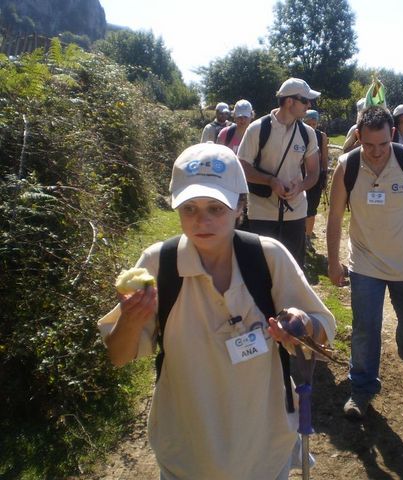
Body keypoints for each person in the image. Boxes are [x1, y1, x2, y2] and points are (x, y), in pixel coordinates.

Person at [97, 142, 336, 479]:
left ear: (240, 207)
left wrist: (301, 323)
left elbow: (324, 326)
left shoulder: (268, 257)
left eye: (216, 208)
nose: (202, 221)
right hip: (187, 451)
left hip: (264, 448)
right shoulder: (158, 264)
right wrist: (131, 322)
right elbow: (119, 356)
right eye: (189, 208)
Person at [326, 106, 403, 419]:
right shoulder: (347, 165)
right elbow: (335, 216)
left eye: (382, 144)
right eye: (368, 145)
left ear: (392, 134)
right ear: (359, 138)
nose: (376, 152)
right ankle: (361, 388)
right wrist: (333, 261)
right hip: (365, 262)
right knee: (365, 328)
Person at [237, 78, 320, 267]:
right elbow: (242, 167)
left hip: (296, 212)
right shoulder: (258, 129)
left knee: (294, 269)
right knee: (262, 271)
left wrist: (300, 186)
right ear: (290, 101)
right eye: (306, 101)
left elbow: (313, 172)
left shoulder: (308, 133)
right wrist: (270, 181)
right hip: (261, 212)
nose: (309, 105)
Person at [302, 109, 329, 252]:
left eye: (314, 123)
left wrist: (324, 175)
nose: (312, 126)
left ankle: (307, 237)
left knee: (311, 208)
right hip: (299, 176)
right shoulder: (298, 133)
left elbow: (324, 158)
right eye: (309, 123)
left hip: (315, 177)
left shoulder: (321, 136)